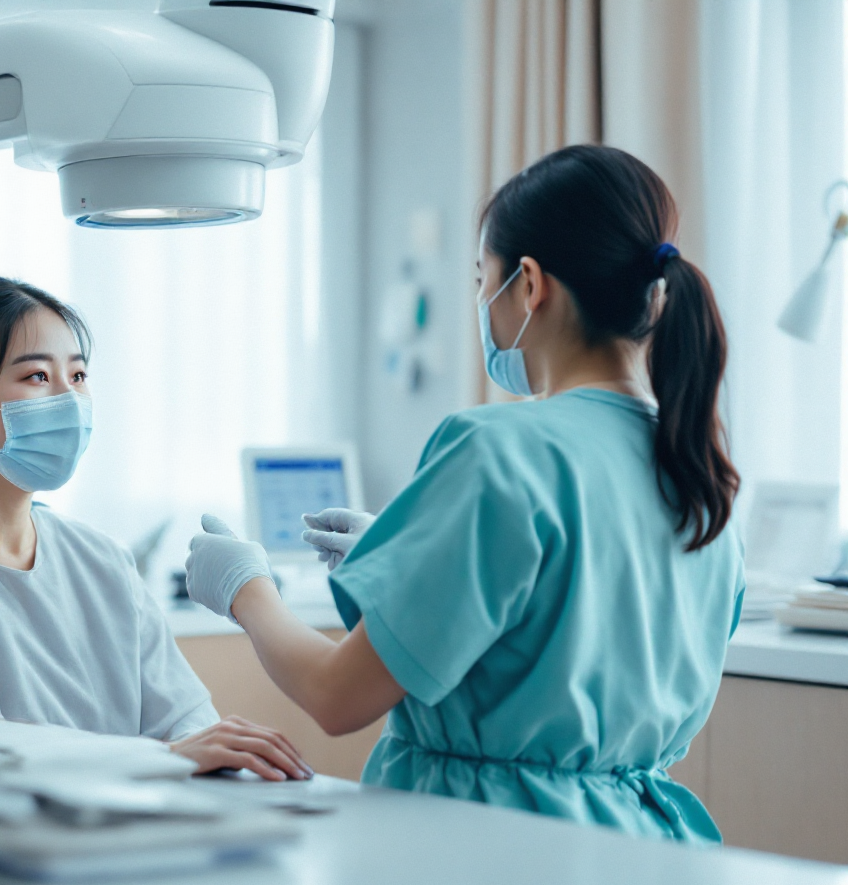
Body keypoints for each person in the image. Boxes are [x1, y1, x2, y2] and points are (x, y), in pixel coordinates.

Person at [185, 145, 745, 840]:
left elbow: (336, 695)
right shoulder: (700, 474)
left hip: (490, 848)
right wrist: (408, 563)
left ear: (529, 284)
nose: (482, 302)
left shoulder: (498, 450)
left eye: (483, 279)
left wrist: (246, 587)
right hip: (643, 850)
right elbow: (556, 631)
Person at [0, 275, 311, 781]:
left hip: (132, 818)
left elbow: (188, 723)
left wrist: (202, 753)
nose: (70, 399)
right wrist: (162, 758)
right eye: (38, 376)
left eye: (78, 376)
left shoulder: (103, 559)